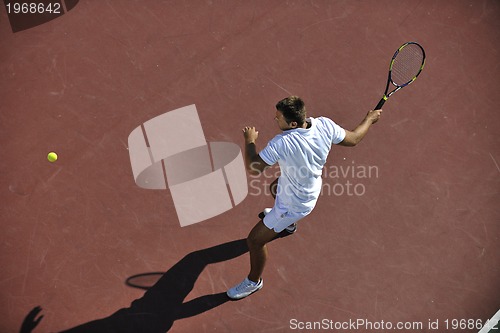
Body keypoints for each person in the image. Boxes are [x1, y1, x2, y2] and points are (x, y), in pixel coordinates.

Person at [226, 96, 382, 300]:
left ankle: (253, 282)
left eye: (278, 118)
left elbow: (254, 168)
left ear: (292, 123)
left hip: (294, 203)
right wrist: (369, 119)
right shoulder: (324, 124)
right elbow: (353, 139)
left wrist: (250, 141)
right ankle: (288, 226)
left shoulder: (282, 143)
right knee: (276, 186)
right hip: (306, 186)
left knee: (254, 241)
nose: (275, 120)